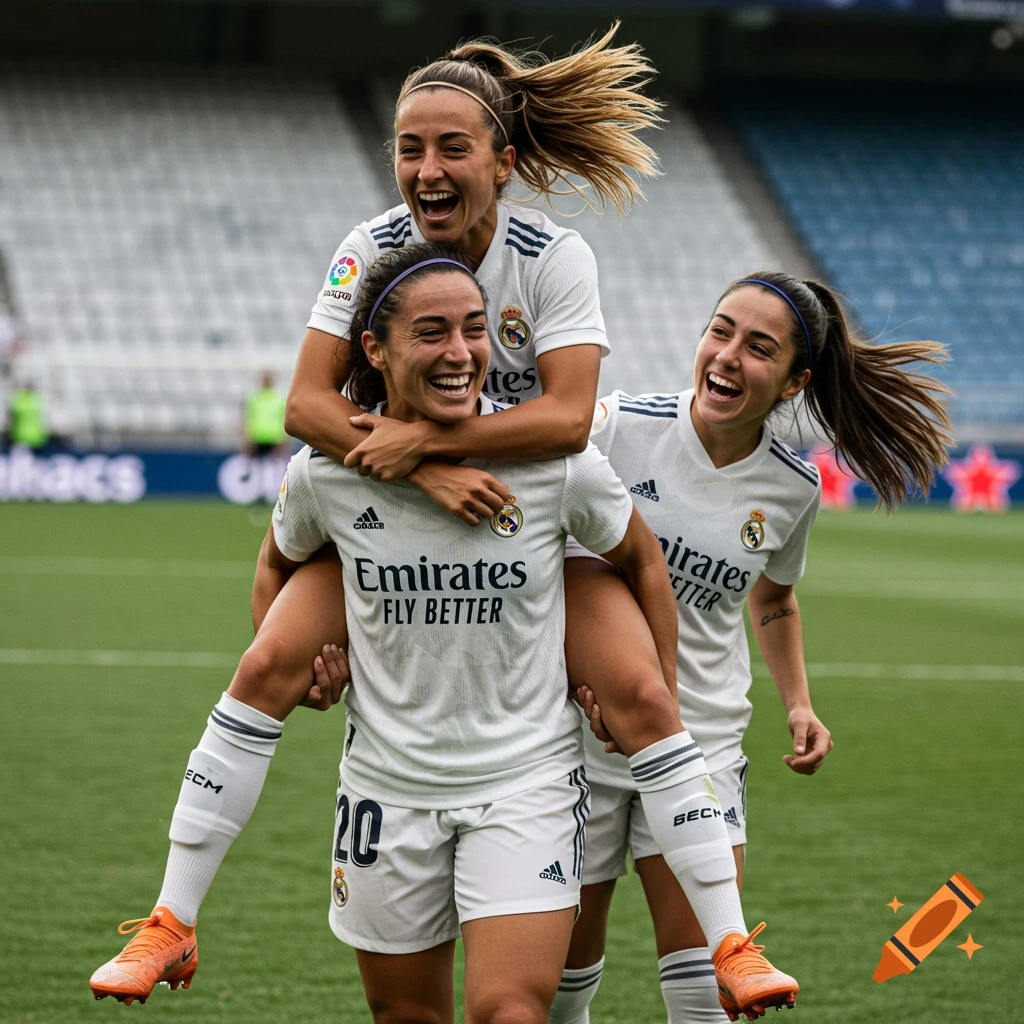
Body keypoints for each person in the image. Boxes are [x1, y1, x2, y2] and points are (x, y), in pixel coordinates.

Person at [89, 30, 796, 1019]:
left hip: (533, 516)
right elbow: (303, 404)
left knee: (638, 688)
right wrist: (421, 475)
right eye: (408, 148)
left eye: (451, 148)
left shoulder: (553, 256)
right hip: (393, 519)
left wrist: (432, 452)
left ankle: (727, 939)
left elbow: (563, 413)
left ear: (501, 162)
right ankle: (169, 919)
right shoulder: (369, 247)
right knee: (263, 666)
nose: (425, 169)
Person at [98, 245, 660, 1021]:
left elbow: (639, 558)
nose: (461, 353)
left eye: (473, 329)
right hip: (387, 793)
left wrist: (653, 687)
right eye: (431, 332)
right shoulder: (326, 474)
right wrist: (317, 678)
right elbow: (274, 564)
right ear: (375, 348)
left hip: (525, 783)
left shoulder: (554, 463)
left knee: (510, 1013)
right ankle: (170, 918)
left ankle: (730, 939)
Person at [545, 271, 952, 1024]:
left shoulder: (793, 486)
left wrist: (799, 701)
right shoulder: (617, 426)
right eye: (720, 330)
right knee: (566, 973)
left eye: (757, 347)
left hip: (701, 740)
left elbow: (772, 598)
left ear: (794, 382)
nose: (727, 356)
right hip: (582, 737)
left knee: (708, 987)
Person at [244, 370, 288, 456]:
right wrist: (247, 438)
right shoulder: (254, 398)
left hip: (275, 439)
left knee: (276, 467)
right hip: (257, 439)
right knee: (257, 467)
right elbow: (248, 419)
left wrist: (284, 439)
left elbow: (285, 419)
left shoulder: (280, 399)